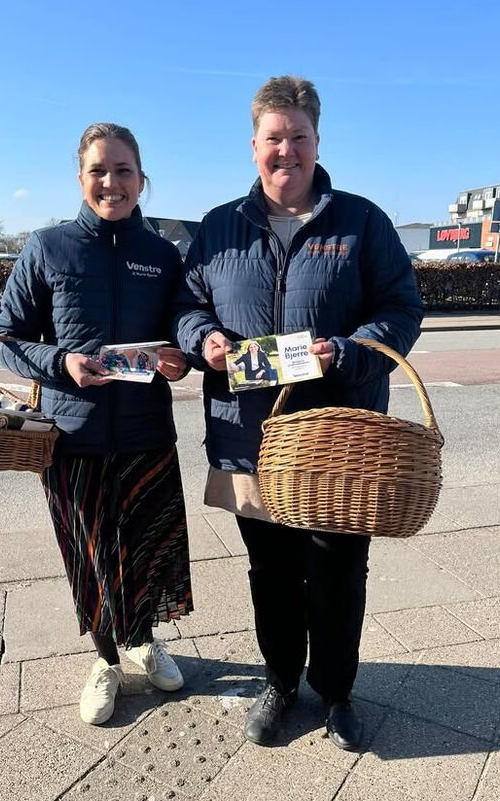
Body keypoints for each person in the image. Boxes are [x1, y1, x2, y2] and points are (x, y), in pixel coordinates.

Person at [175, 76, 424, 750]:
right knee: (272, 573)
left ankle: (337, 690)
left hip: (338, 441)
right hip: (249, 436)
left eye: (299, 136)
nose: (286, 150)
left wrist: (347, 350)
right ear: (254, 144)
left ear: (318, 140)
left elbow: (402, 310)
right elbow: (186, 305)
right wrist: (204, 338)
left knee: (339, 572)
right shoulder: (219, 227)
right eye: (274, 137)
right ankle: (280, 681)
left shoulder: (362, 221)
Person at [0, 122, 193, 726]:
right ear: (81, 179)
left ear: (142, 179)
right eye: (99, 171)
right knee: (92, 556)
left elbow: (184, 326)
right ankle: (106, 659)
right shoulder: (48, 247)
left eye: (123, 170)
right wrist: (62, 363)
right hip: (72, 438)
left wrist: (181, 358)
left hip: (146, 434)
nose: (112, 183)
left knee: (146, 549)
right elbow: (6, 339)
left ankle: (144, 640)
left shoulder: (162, 255)